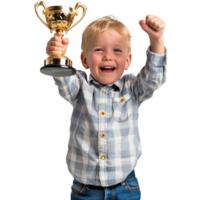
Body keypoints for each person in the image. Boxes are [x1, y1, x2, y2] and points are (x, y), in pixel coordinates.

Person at [44, 14, 169, 200]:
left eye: (117, 50)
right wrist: (56, 55)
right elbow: (63, 80)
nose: (108, 56)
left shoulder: (134, 88)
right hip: (84, 189)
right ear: (84, 60)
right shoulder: (78, 86)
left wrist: (157, 39)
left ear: (128, 61)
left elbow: (154, 76)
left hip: (126, 186)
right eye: (99, 50)